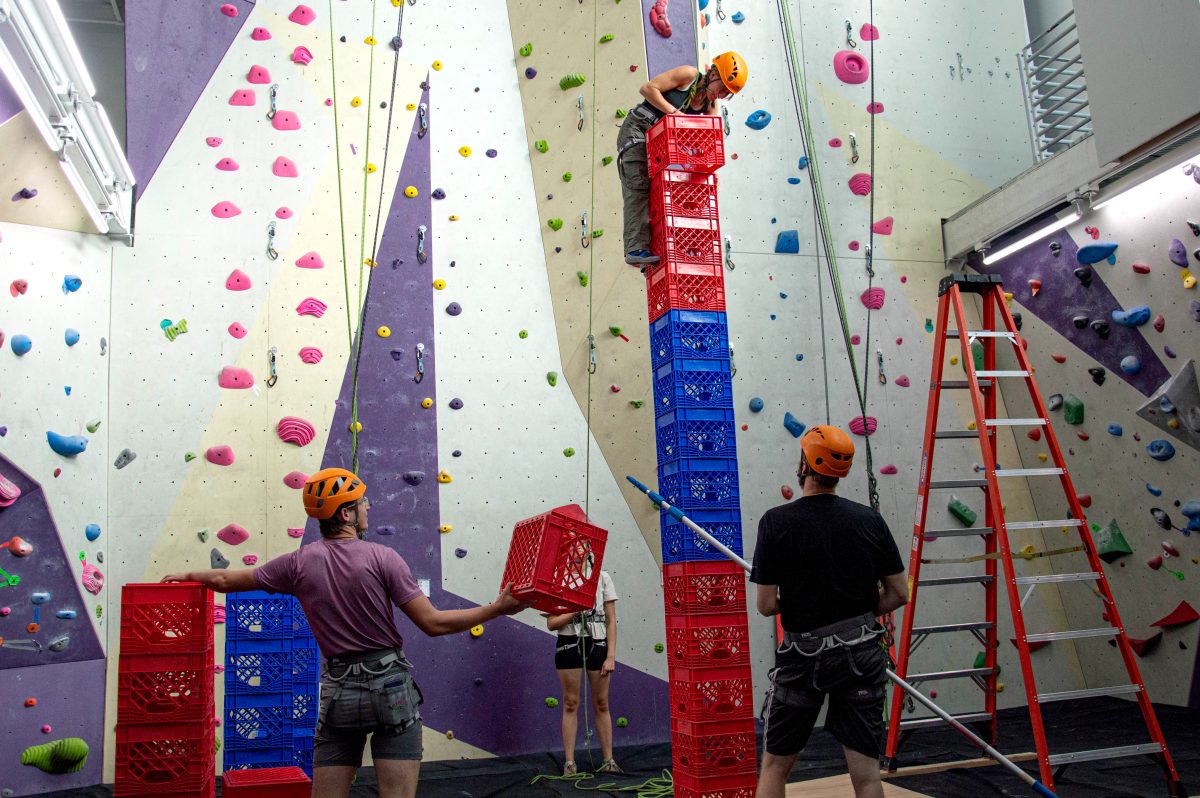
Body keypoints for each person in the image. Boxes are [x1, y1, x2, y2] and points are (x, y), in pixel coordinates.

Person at [163, 467, 528, 798]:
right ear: (346, 514)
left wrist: (187, 575)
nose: (368, 506)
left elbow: (227, 579)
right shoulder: (383, 558)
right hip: (390, 688)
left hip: (339, 693)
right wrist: (497, 609)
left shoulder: (298, 562)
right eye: (361, 502)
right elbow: (432, 624)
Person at [749, 427, 909, 798]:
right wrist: (860, 611)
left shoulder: (776, 522)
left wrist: (803, 603)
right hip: (861, 654)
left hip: (803, 657)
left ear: (804, 464)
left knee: (775, 768)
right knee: (867, 775)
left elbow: (766, 606)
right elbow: (899, 592)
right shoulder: (869, 520)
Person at [617, 52, 747, 266]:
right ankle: (635, 248)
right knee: (638, 187)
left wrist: (710, 174)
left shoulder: (710, 107)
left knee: (661, 197)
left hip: (658, 146)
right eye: (722, 87)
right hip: (639, 130)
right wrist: (675, 114)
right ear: (713, 73)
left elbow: (707, 145)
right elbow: (648, 89)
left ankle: (651, 252)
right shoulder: (689, 75)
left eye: (727, 93)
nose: (722, 95)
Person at [544, 568, 620, 776]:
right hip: (569, 642)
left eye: (581, 545)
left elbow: (611, 619)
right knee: (570, 702)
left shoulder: (603, 577)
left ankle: (608, 760)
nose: (577, 550)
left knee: (601, 702)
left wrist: (611, 655)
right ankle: (570, 762)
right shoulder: (558, 578)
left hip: (598, 643)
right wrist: (576, 609)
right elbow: (552, 623)